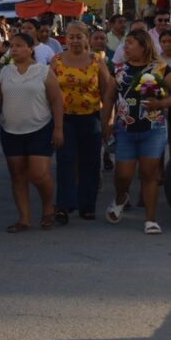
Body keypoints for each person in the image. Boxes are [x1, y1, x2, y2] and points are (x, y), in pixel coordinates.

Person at [105, 30, 171, 234]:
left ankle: (150, 219)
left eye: (130, 43)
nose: (125, 47)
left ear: (143, 45)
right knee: (123, 174)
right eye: (125, 44)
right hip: (125, 130)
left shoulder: (161, 69)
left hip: (153, 130)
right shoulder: (119, 70)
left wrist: (161, 103)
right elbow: (109, 98)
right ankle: (121, 197)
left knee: (149, 174)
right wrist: (106, 124)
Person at [0, 33, 64, 233]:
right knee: (17, 175)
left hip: (40, 127)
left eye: (19, 46)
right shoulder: (4, 72)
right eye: (11, 46)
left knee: (39, 174)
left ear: (31, 49)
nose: (14, 49)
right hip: (11, 130)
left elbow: (57, 100)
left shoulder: (44, 71)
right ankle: (24, 218)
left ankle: (48, 208)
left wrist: (58, 128)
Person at [50, 23, 115, 222]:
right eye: (71, 37)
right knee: (66, 161)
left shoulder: (96, 61)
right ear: (65, 39)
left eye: (79, 36)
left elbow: (107, 91)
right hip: (65, 118)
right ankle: (64, 206)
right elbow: (50, 92)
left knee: (91, 162)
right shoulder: (57, 60)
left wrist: (107, 121)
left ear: (86, 39)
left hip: (91, 117)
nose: (75, 40)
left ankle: (87, 206)